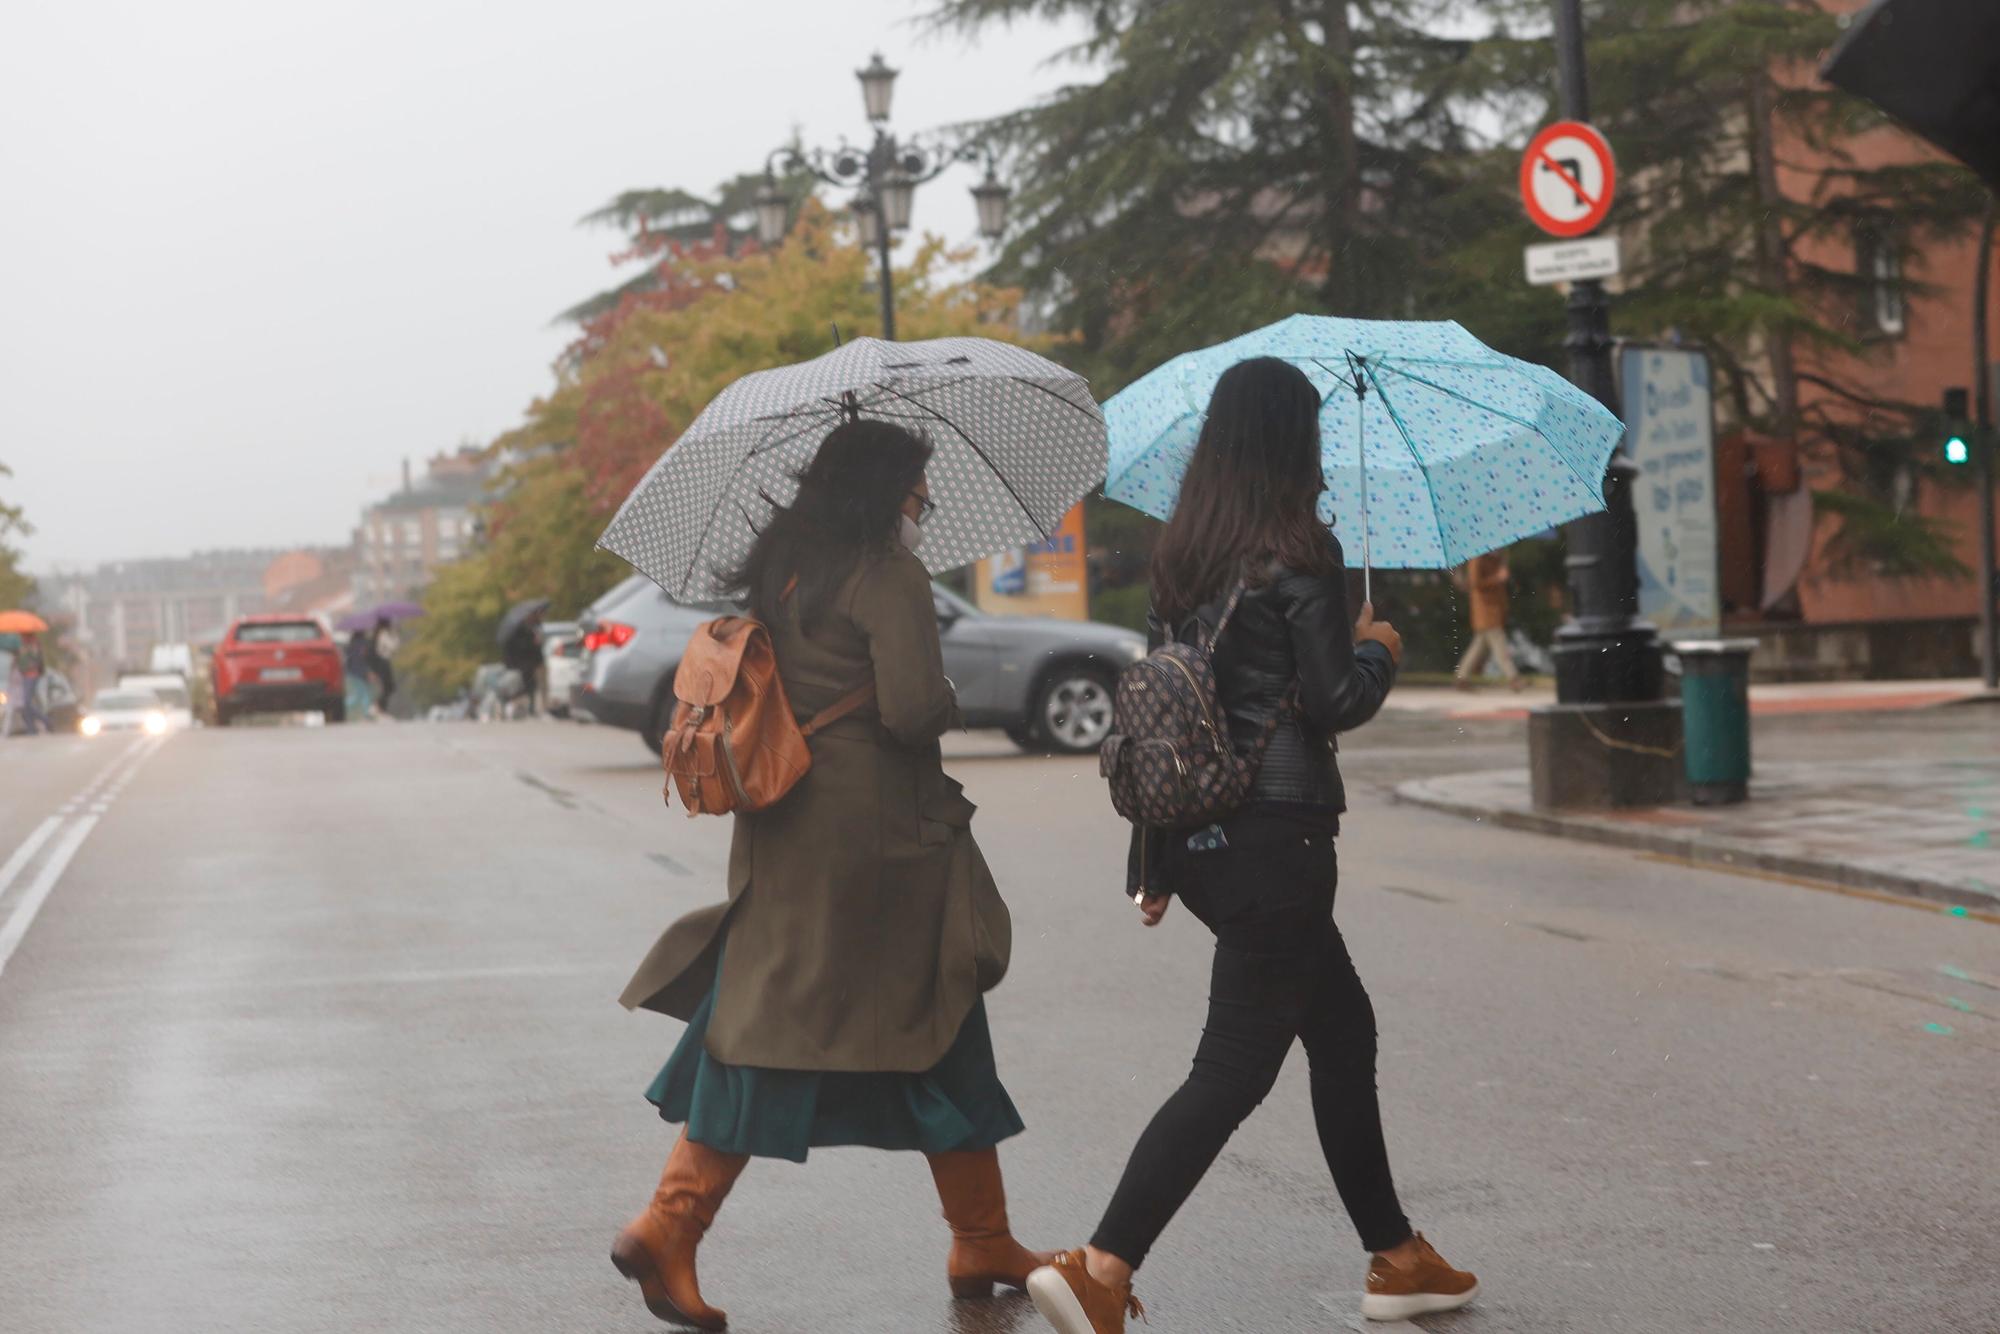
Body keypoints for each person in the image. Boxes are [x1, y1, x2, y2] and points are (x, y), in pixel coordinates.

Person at [1025, 358, 1477, 1333]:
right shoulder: (1297, 549)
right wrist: (1378, 647)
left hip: (1200, 842)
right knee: (1232, 1066)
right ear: (1291, 440)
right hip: (1277, 839)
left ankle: (1396, 1256)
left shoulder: (1184, 552)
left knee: (1341, 1030)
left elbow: (1167, 713)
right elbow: (1332, 701)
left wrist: (1150, 861)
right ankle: (1100, 1265)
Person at [610, 420, 1044, 1330]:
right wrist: (949, 694)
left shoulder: (786, 563)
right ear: (886, 491)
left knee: (918, 1009)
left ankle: (982, 1236)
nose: (922, 508)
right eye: (918, 492)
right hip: (878, 841)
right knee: (782, 1028)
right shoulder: (886, 573)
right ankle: (668, 1224)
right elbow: (913, 709)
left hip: (791, 826)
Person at [1452, 549, 1525, 692]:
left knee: (1478, 646)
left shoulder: (1494, 560)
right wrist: (1497, 578)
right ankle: (1513, 678)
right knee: (1499, 645)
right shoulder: (1477, 559)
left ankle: (1461, 677)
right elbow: (1475, 583)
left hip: (1494, 610)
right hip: (1485, 611)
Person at [501, 611, 542, 717]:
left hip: (525, 664)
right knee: (523, 686)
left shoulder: (530, 630)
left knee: (529, 686)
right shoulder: (519, 633)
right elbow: (522, 648)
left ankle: (529, 708)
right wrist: (533, 643)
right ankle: (524, 707)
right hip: (522, 664)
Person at [367, 618, 400, 716]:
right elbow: (393, 647)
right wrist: (395, 635)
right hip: (383, 662)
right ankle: (378, 707)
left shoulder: (378, 634)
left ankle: (380, 708)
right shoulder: (383, 634)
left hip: (382, 663)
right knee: (388, 687)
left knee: (387, 687)